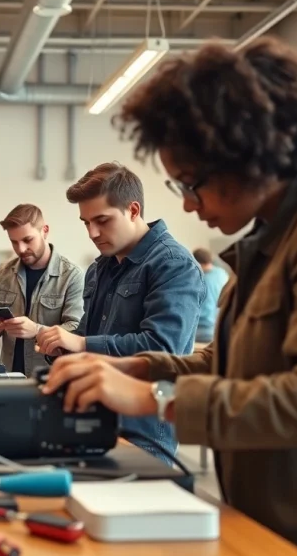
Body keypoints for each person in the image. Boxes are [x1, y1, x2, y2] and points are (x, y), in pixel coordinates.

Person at [42, 38, 297, 556]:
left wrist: (154, 399)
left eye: (192, 183)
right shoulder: (280, 235)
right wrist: (129, 365)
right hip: (282, 527)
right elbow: (230, 362)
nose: (185, 202)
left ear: (247, 157)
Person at [35, 162, 204, 461]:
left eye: (102, 220)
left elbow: (163, 350)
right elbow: (89, 336)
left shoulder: (174, 264)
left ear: (133, 210)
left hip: (143, 434)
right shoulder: (100, 268)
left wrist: (83, 344)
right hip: (95, 420)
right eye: (85, 223)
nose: (93, 232)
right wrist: (64, 347)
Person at [0, 204, 84, 376]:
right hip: (9, 378)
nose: (21, 249)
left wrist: (37, 331)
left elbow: (77, 330)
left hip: (51, 379)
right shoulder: (3, 273)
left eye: (27, 240)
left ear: (45, 231)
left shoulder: (72, 276)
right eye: (14, 242)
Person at [192, 248, 229, 343]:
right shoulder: (222, 273)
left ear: (197, 263)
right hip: (220, 327)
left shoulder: (199, 280)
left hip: (203, 329)